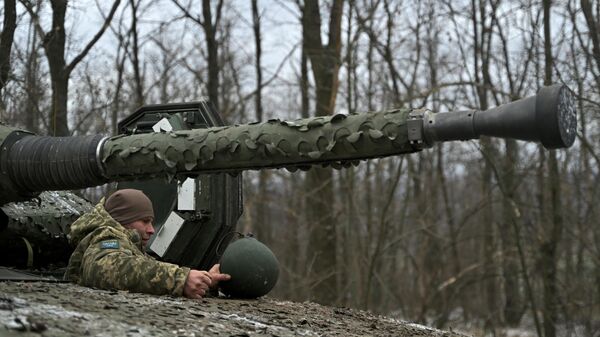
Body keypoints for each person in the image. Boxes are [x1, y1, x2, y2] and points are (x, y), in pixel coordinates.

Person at [64, 189, 230, 299]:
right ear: (122, 220)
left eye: (151, 222)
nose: (151, 230)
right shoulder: (106, 237)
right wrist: (180, 279)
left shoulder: (130, 246)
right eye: (145, 221)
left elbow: (142, 269)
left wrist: (205, 280)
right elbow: (104, 267)